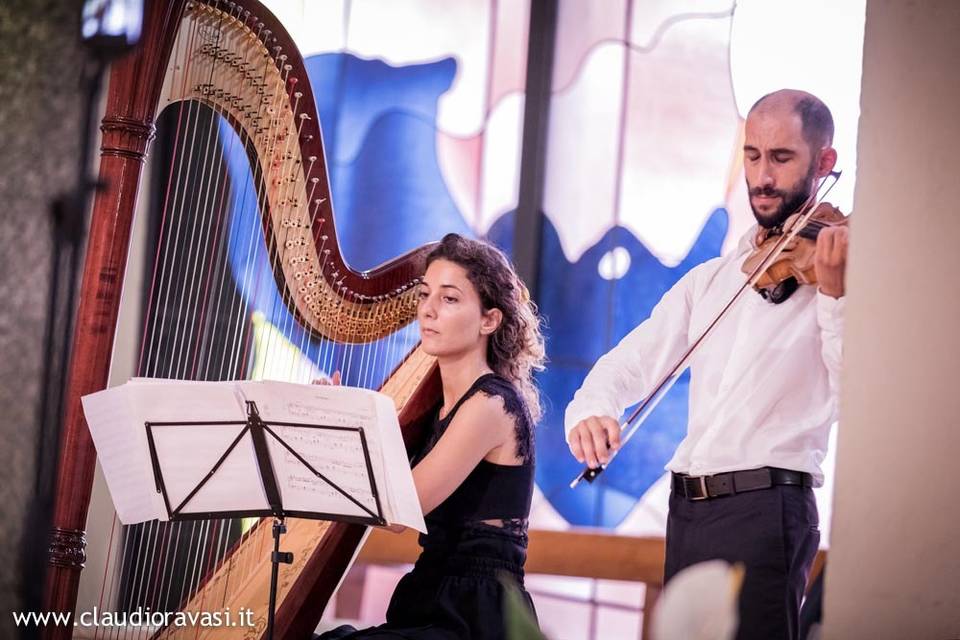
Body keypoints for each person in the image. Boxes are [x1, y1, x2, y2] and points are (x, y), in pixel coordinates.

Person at [564, 89, 849, 640]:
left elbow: (859, 395)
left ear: (824, 163)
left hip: (768, 511)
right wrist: (593, 408)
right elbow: (629, 361)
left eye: (782, 158)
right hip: (689, 513)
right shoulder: (712, 279)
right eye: (752, 155)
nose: (762, 176)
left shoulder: (839, 274)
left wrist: (836, 296)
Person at [319, 233, 545, 640]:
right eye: (425, 295)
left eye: (450, 299)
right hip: (431, 596)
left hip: (474, 615)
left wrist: (333, 435)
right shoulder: (436, 406)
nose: (428, 310)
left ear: (489, 320)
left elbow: (398, 511)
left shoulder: (491, 405)